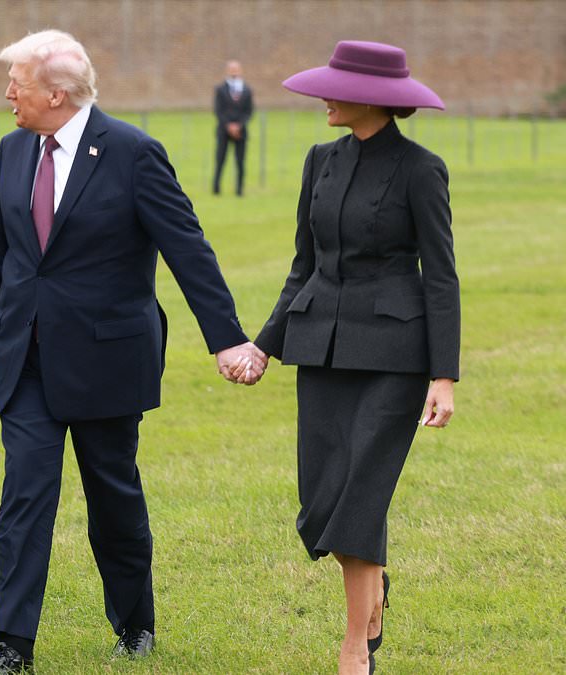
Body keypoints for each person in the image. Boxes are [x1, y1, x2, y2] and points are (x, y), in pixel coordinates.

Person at [0, 30, 266, 673]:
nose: (7, 94)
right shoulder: (11, 151)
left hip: (107, 360)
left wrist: (227, 339)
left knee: (113, 499)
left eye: (15, 83)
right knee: (24, 499)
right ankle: (11, 645)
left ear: (56, 92)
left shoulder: (133, 153)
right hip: (26, 360)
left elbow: (188, 248)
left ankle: (135, 625)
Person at [254, 40, 458, 674]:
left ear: (372, 98)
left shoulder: (422, 170)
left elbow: (441, 276)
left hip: (395, 356)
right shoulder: (319, 161)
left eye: (334, 86)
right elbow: (302, 268)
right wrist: (265, 345)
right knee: (322, 501)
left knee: (360, 496)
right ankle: (372, 592)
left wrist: (443, 376)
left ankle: (355, 647)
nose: (323, 95)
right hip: (320, 346)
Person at [212, 60, 254, 196]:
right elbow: (218, 110)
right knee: (220, 159)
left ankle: (239, 190)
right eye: (231, 69)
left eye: (236, 69)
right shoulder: (220, 89)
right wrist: (229, 126)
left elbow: (249, 111)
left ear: (240, 70)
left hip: (241, 132)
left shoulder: (247, 90)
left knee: (240, 161)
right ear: (227, 70)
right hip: (223, 130)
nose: (234, 71)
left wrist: (239, 126)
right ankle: (216, 188)